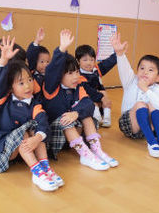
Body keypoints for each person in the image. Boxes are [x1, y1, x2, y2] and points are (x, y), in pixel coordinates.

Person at [0, 36, 63, 192]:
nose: (27, 86)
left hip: (19, 149)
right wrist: (3, 61)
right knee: (23, 133)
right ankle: (37, 171)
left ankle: (44, 167)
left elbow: (42, 121)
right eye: (21, 83)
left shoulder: (34, 103)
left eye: (29, 80)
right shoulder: (1, 99)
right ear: (11, 87)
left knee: (36, 126)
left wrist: (38, 138)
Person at [43, 30, 118, 170]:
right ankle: (85, 155)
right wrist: (61, 49)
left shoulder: (77, 87)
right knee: (65, 120)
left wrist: (76, 113)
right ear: (59, 76)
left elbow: (88, 104)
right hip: (53, 133)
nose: (76, 76)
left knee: (87, 116)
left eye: (77, 72)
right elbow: (52, 71)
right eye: (70, 73)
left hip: (72, 132)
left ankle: (97, 150)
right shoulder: (51, 87)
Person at [111, 33, 159, 159]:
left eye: (151, 70)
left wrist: (146, 90)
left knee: (153, 105)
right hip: (130, 124)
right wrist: (120, 54)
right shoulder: (131, 81)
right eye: (142, 68)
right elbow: (124, 68)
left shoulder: (158, 88)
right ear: (137, 70)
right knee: (140, 104)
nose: (145, 72)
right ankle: (152, 142)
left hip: (149, 127)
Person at [75, 44, 116, 127]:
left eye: (91, 60)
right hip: (88, 100)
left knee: (105, 94)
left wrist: (117, 54)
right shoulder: (78, 75)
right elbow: (88, 91)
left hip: (98, 97)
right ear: (78, 61)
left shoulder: (95, 70)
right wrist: (101, 96)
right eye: (85, 60)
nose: (89, 63)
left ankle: (107, 117)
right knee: (91, 99)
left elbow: (107, 64)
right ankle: (97, 118)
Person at [26, 27, 51, 93]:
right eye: (42, 62)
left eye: (48, 62)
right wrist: (37, 41)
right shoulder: (31, 73)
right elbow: (31, 55)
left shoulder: (50, 75)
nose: (45, 64)